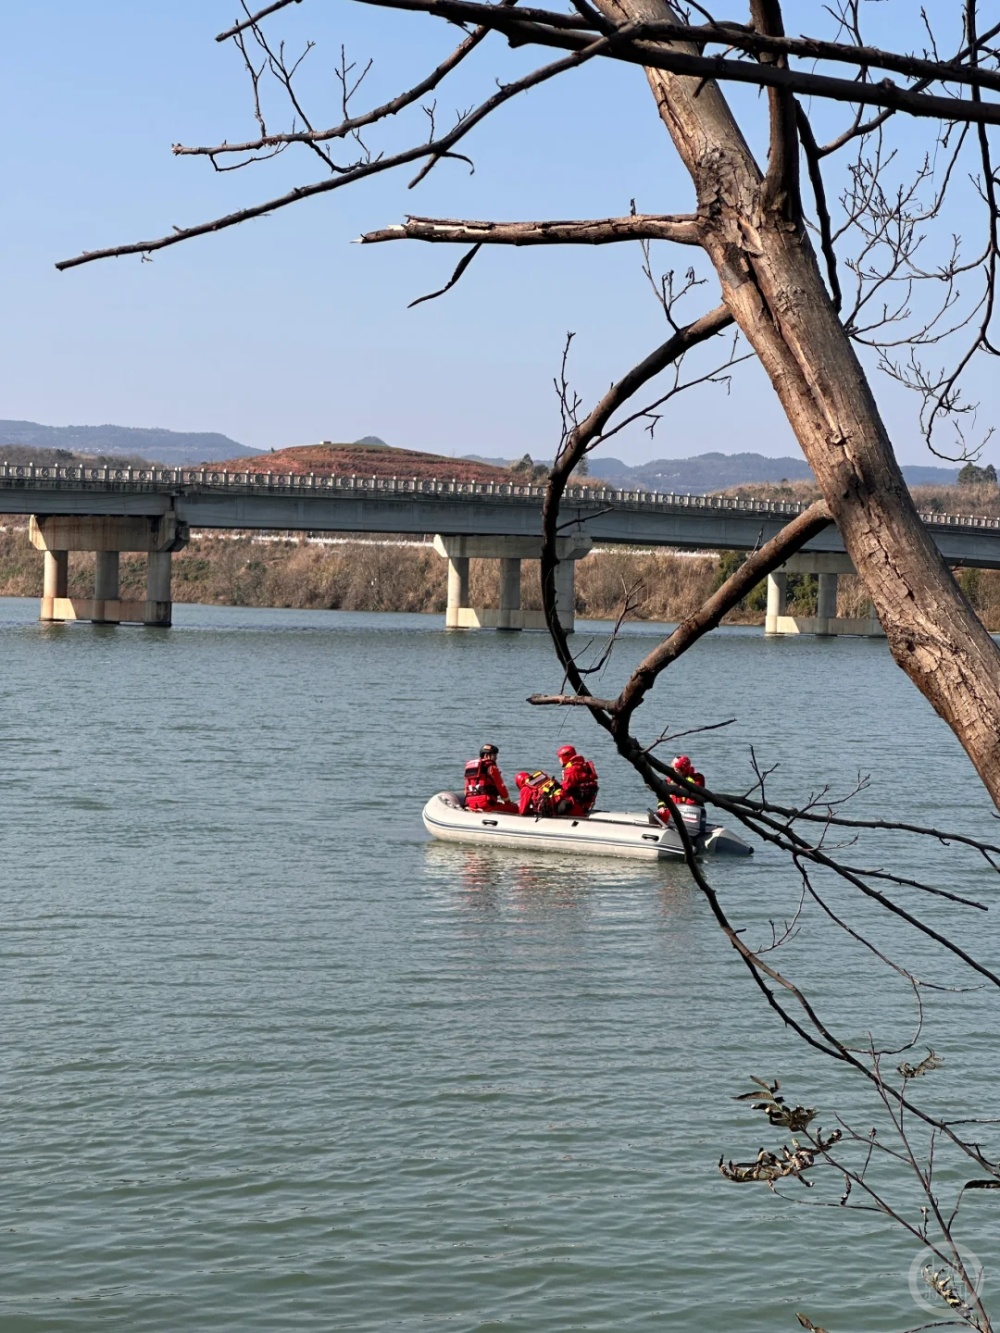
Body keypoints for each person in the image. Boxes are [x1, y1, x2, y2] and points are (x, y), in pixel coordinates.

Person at [464, 744, 516, 813]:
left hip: (471, 804)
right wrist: (508, 802)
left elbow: (466, 790)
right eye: (494, 755)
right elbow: (501, 786)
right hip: (487, 805)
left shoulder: (471, 768)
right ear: (486, 755)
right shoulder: (491, 767)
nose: (496, 758)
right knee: (516, 809)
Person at [555, 744, 599, 817]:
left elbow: (565, 788)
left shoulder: (571, 771)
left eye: (560, 758)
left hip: (575, 805)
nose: (559, 760)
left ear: (565, 757)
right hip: (586, 804)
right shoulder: (583, 766)